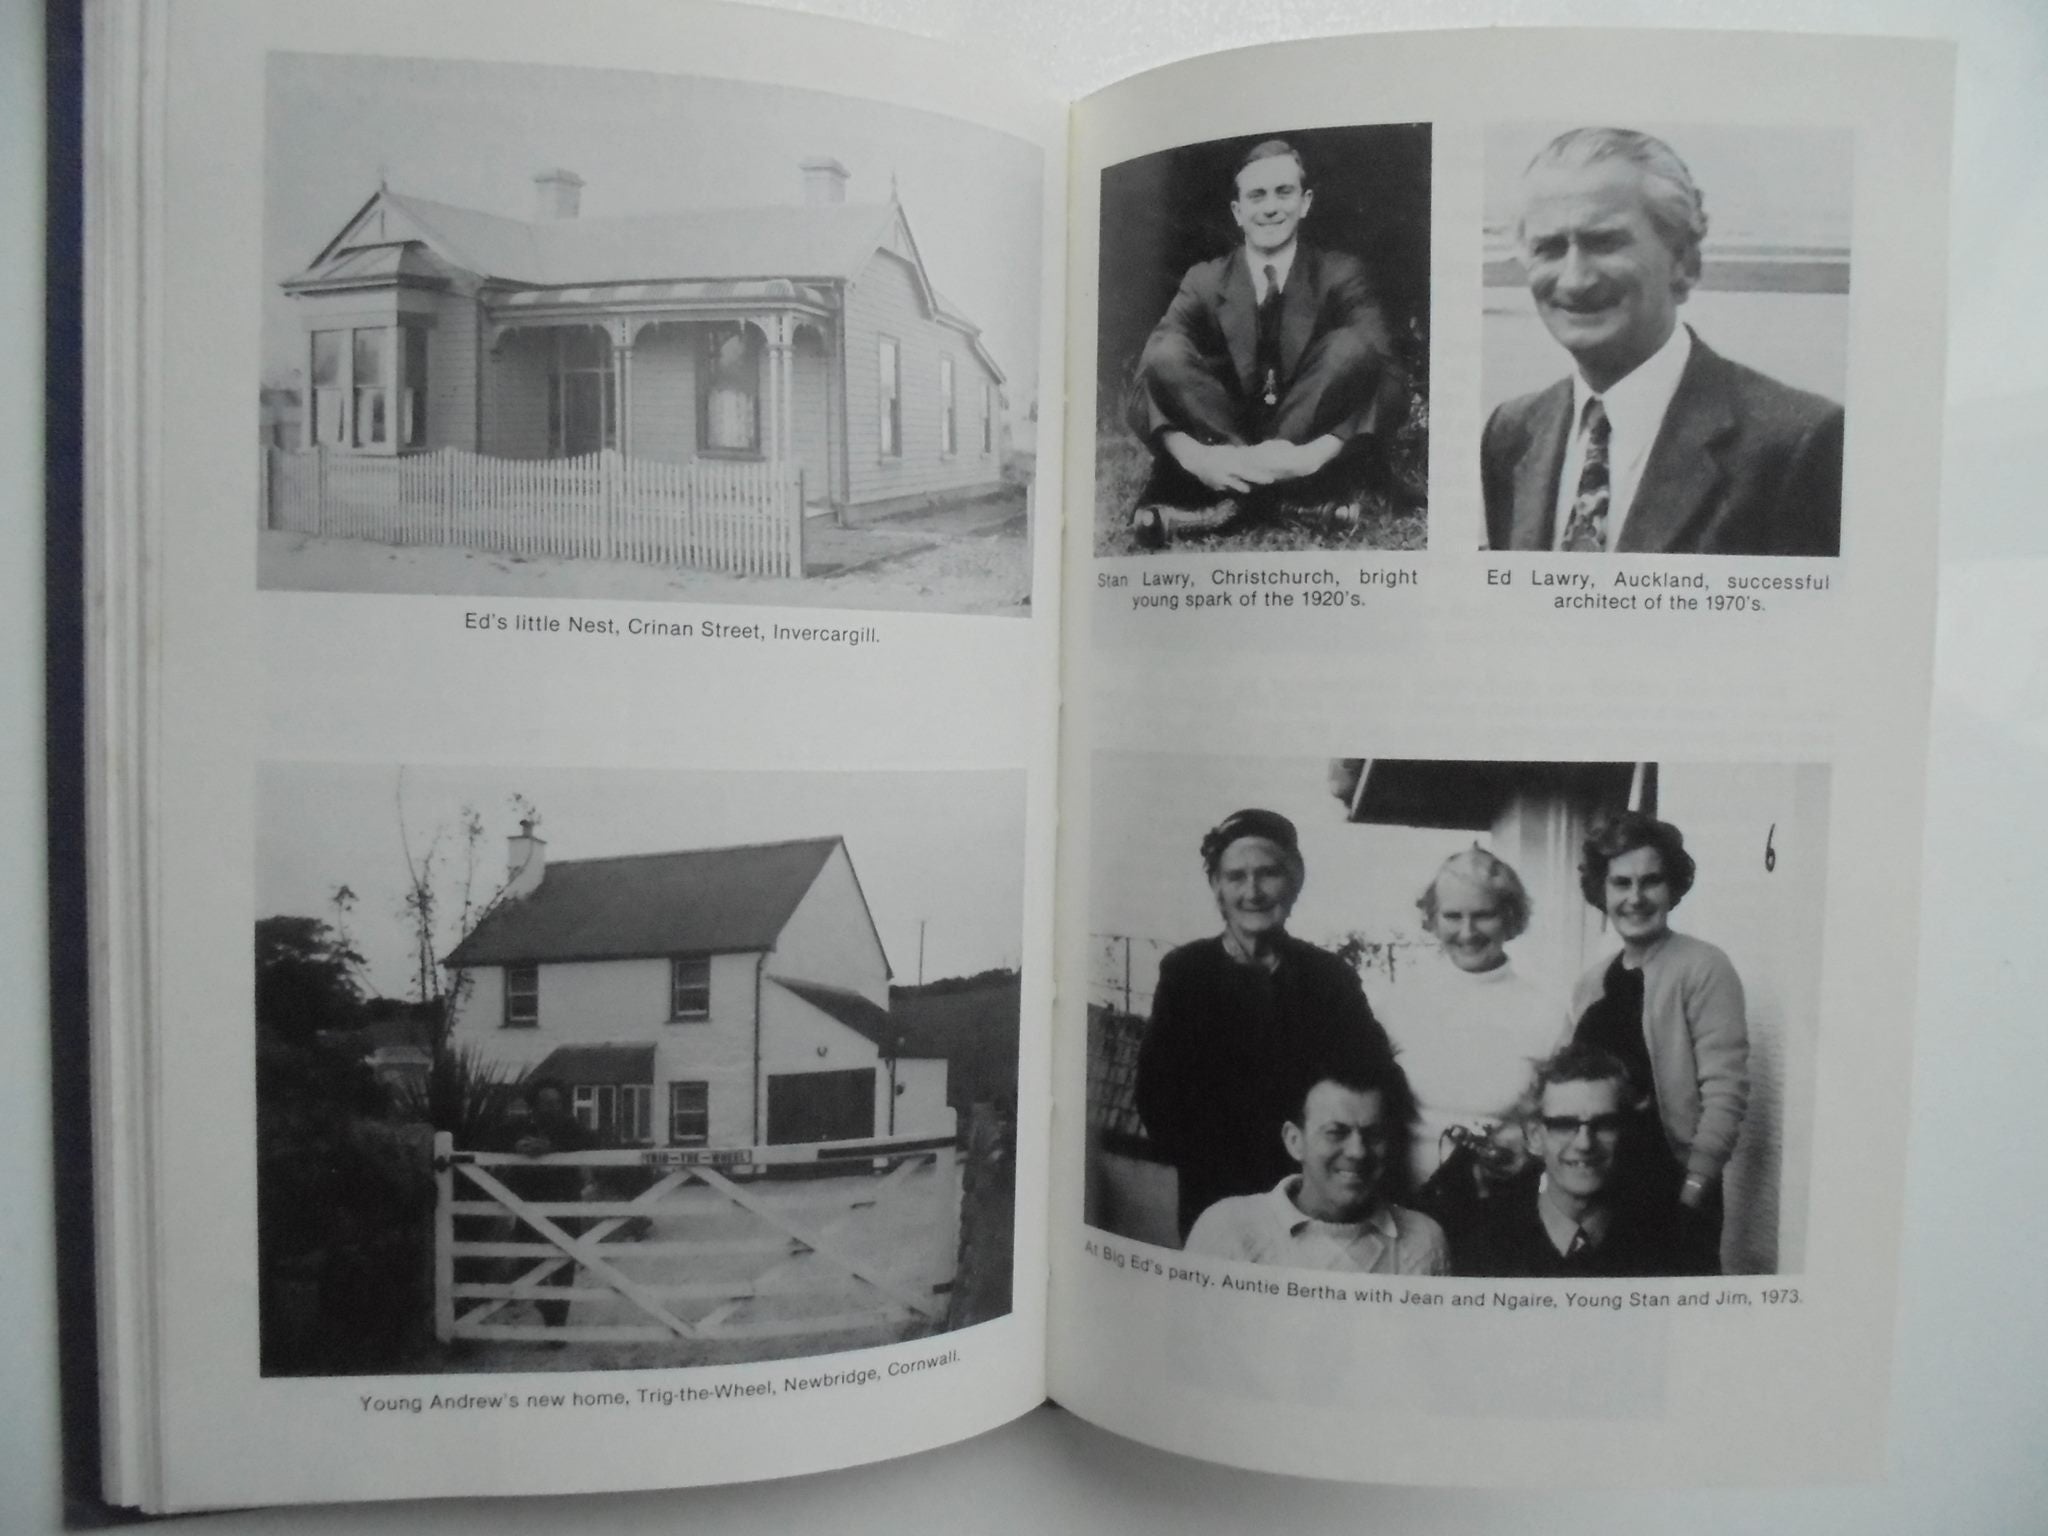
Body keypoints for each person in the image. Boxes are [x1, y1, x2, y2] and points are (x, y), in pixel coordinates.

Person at [1482, 127, 1842, 556]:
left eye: (1605, 243)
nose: (1575, 280)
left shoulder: (1797, 443)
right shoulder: (1511, 432)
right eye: (1549, 248)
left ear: (1684, 263)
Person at [1124, 139, 1408, 547]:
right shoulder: (1203, 281)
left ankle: (1236, 504)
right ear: (1238, 212)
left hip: (1303, 447)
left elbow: (1392, 381)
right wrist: (1198, 458)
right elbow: (1145, 381)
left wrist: (1312, 455)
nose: (1271, 207)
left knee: (1352, 349)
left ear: (1305, 202)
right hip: (1223, 437)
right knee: (1164, 353)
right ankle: (1284, 503)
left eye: (1284, 192)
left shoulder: (1340, 274)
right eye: (1257, 196)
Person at [1134, 808, 1399, 1239]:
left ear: (1294, 882)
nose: (1252, 891)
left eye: (1268, 874)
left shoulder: (1329, 977)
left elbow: (1373, 1078)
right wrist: (1211, 1161)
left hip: (1315, 1199)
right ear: (1217, 888)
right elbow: (1156, 1096)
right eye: (1236, 877)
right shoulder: (1186, 972)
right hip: (1217, 1196)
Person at [1564, 812, 1747, 1273]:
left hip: (1674, 1190)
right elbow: (1559, 1079)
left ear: (1673, 887)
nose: (1636, 897)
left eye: (1651, 881)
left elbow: (1725, 1092)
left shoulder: (1704, 967)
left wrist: (1694, 1190)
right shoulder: (1591, 982)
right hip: (1595, 1186)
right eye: (1621, 883)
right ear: (1601, 892)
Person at [1383, 846, 1560, 1188]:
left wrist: (1528, 1144)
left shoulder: (1547, 1014)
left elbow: (1566, 1122)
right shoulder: (1398, 1004)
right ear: (1432, 919)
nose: (1467, 931)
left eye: (1483, 915)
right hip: (1408, 1211)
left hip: (1503, 1210)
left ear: (1510, 917)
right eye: (1452, 916)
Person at [1183, 1051, 1449, 1274]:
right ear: (1295, 1141)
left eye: (1374, 1135)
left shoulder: (1423, 1243)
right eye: (1336, 1132)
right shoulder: (1227, 1229)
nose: (1357, 1151)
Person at [1459, 1044, 1684, 1277]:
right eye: (1564, 1125)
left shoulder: (1668, 1241)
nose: (1584, 1143)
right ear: (1535, 1137)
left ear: (1625, 1131)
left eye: (1605, 1124)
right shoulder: (1487, 1243)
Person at [500, 1078, 596, 1331]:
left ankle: (558, 1326)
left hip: (564, 1200)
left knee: (564, 1263)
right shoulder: (521, 1126)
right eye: (545, 1102)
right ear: (534, 1104)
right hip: (530, 1203)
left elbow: (589, 1140)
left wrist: (552, 1147)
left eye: (556, 1102)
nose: (551, 1107)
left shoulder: (569, 1124)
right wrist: (516, 1144)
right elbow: (495, 1138)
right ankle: (546, 1306)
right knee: (528, 1260)